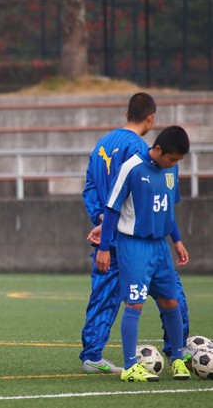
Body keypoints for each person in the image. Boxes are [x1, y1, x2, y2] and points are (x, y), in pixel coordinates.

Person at [80, 92, 190, 374]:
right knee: (171, 294)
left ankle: (92, 354)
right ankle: (178, 351)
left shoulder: (102, 144)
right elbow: (135, 197)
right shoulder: (140, 151)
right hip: (134, 237)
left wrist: (101, 220)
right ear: (151, 118)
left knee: (104, 293)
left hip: (109, 234)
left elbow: (91, 187)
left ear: (126, 113)